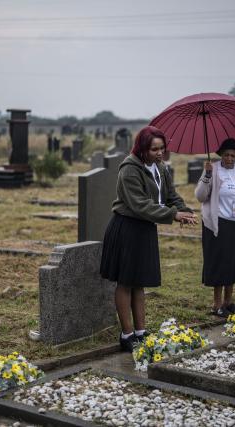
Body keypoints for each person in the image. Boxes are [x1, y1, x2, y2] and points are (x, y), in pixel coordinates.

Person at [100, 126, 198, 351]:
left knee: (139, 282)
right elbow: (139, 204)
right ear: (142, 148)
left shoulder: (160, 167)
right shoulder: (129, 169)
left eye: (162, 148)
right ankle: (126, 335)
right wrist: (173, 215)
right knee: (125, 282)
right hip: (127, 227)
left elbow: (171, 195)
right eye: (154, 149)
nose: (160, 152)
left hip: (144, 228)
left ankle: (141, 332)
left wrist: (184, 211)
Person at [195, 138, 235, 317]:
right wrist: (206, 176)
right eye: (226, 155)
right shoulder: (213, 169)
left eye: (233, 155)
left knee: (233, 262)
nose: (230, 158)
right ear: (221, 155)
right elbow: (200, 196)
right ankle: (217, 304)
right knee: (220, 263)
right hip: (219, 222)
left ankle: (228, 301)